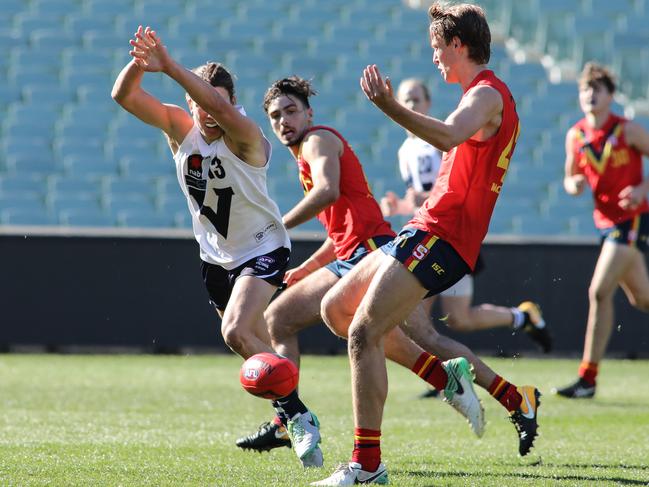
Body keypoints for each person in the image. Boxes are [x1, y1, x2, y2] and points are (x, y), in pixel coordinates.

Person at [313, 4, 541, 485]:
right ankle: (450, 378)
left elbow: (447, 136)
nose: (435, 57)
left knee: (363, 334)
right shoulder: (478, 95)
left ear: (458, 45)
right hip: (425, 229)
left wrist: (391, 107)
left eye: (438, 47)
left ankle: (367, 465)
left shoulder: (487, 94)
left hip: (443, 238)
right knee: (336, 308)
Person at [236, 76, 485, 454]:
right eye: (275, 116)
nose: (284, 120)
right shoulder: (307, 151)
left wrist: (277, 224)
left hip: (370, 254)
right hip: (355, 254)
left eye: (291, 111)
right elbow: (339, 232)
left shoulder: (316, 140)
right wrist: (305, 269)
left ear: (308, 114)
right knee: (283, 320)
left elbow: (328, 192)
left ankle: (477, 390)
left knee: (391, 336)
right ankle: (288, 420)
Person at [110, 26, 323, 467]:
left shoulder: (246, 134)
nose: (210, 108)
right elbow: (123, 97)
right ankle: (292, 416)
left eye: (219, 99)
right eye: (202, 99)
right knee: (252, 343)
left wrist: (169, 67)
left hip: (263, 247)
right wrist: (142, 63)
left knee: (236, 331)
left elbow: (215, 107)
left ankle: (299, 417)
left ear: (230, 101)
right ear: (190, 103)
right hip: (216, 259)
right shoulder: (180, 128)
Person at [382, 77, 551, 360]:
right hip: (431, 230)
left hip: (447, 235)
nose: (411, 104)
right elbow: (420, 197)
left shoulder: (436, 139)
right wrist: (400, 206)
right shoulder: (405, 150)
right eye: (406, 99)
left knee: (421, 318)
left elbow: (451, 183)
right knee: (457, 318)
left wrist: (421, 200)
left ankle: (444, 379)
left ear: (428, 103)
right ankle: (521, 317)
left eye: (416, 99)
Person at [553, 62, 649, 399]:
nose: (590, 94)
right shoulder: (576, 135)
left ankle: (587, 378)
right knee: (643, 299)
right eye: (585, 89)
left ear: (611, 96)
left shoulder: (628, 130)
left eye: (597, 88)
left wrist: (643, 189)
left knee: (599, 291)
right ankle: (588, 380)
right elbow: (568, 178)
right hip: (606, 224)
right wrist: (573, 184)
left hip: (634, 221)